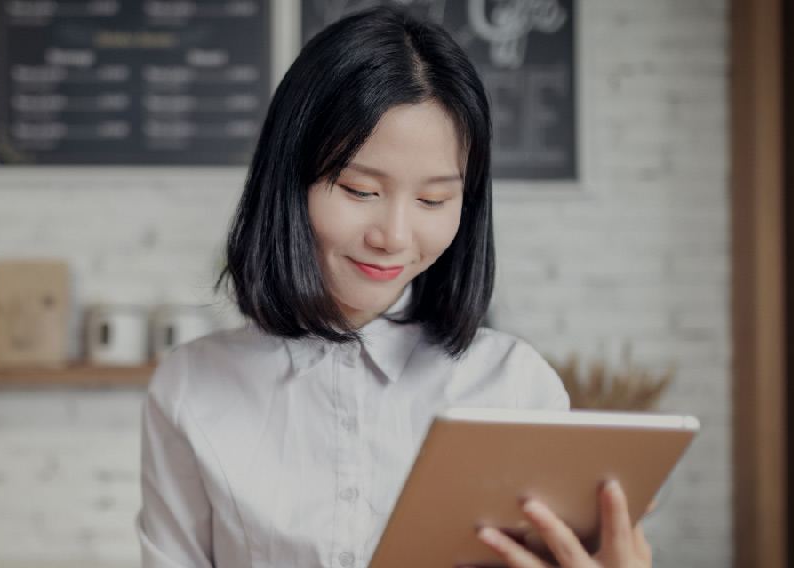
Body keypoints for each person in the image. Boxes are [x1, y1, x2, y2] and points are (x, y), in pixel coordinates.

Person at [137, 7, 653, 568]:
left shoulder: (516, 388)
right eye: (360, 189)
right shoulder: (191, 388)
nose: (395, 236)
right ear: (289, 180)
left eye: (434, 200)